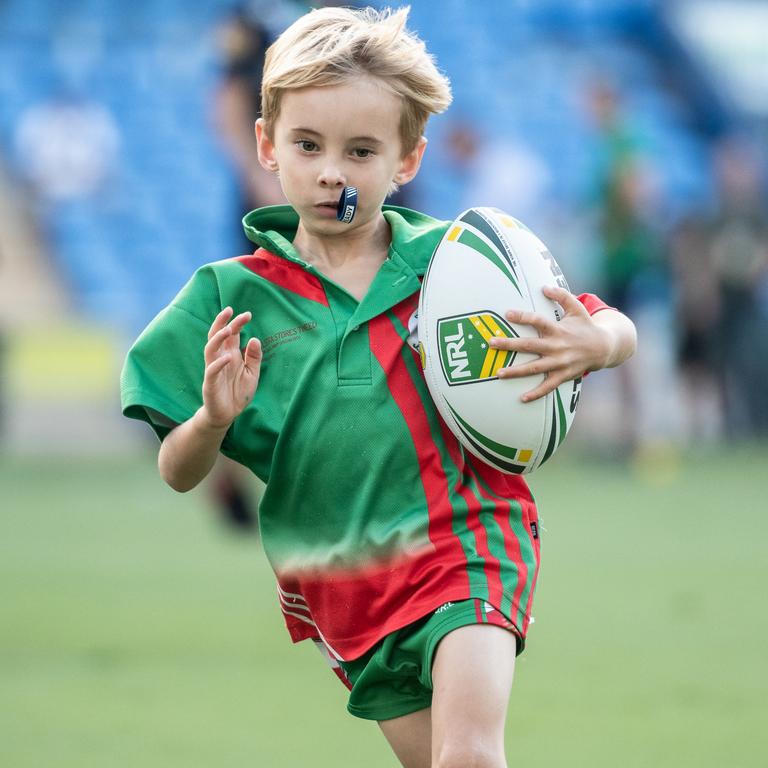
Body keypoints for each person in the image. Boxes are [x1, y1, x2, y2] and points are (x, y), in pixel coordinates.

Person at [121, 7, 637, 767]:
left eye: (361, 151)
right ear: (267, 145)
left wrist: (599, 340)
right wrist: (210, 420)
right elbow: (177, 470)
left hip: (468, 538)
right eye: (308, 145)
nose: (333, 171)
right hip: (344, 579)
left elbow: (609, 324)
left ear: (407, 161)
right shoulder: (225, 298)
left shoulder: (457, 263)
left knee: (468, 756)